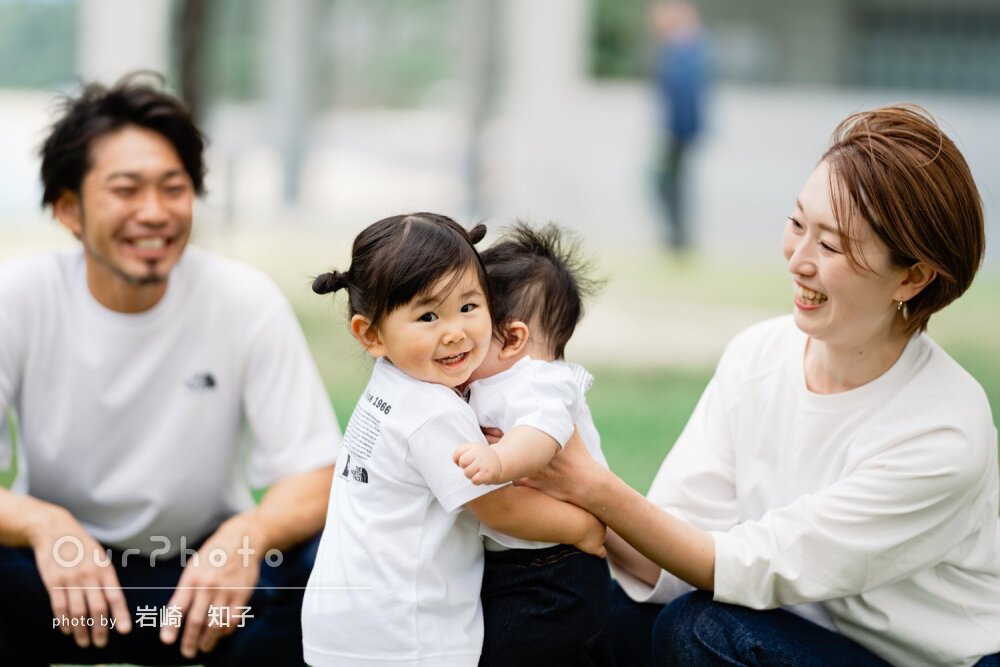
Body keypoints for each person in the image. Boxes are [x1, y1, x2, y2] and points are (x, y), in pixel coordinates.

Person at [524, 105, 1000, 666]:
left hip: (910, 660)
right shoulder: (759, 355)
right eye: (798, 225)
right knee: (574, 594)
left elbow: (741, 566)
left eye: (832, 246)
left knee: (701, 632)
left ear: (913, 277)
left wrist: (590, 485)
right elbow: (672, 548)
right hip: (776, 623)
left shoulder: (943, 430)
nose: (798, 260)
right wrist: (545, 481)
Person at [0, 75, 342, 666]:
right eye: (126, 189)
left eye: (173, 188)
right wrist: (41, 523)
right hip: (58, 577)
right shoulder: (19, 298)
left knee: (332, 561)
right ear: (68, 209)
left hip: (201, 585)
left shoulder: (242, 300)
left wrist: (249, 534)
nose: (154, 213)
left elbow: (317, 472)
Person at [301, 213, 606, 667]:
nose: (455, 332)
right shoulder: (433, 411)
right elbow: (500, 508)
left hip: (349, 622)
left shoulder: (389, 386)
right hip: (409, 633)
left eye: (469, 307)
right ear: (371, 334)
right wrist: (583, 528)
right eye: (427, 315)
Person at [452, 222, 611, 666]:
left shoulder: (540, 380)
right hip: (519, 563)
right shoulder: (492, 377)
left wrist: (498, 459)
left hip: (556, 575)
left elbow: (540, 436)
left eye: (469, 320)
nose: (455, 340)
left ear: (513, 337)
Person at [651, 0, 709, 251]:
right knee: (671, 181)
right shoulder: (680, 46)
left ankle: (679, 236)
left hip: (679, 131)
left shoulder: (683, 47)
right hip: (678, 130)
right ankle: (678, 235)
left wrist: (676, 130)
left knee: (667, 180)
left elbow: (685, 94)